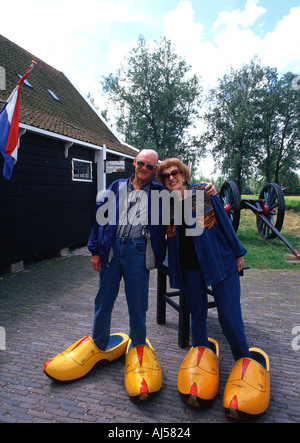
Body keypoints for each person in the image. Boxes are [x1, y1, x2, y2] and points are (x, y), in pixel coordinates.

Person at [156, 158, 270, 419]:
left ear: (184, 174)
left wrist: (239, 253)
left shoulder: (202, 193)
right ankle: (201, 357)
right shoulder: (167, 205)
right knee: (197, 313)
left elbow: (225, 223)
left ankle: (245, 362)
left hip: (219, 260)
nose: (171, 178)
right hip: (189, 268)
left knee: (228, 316)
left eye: (175, 173)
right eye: (165, 176)